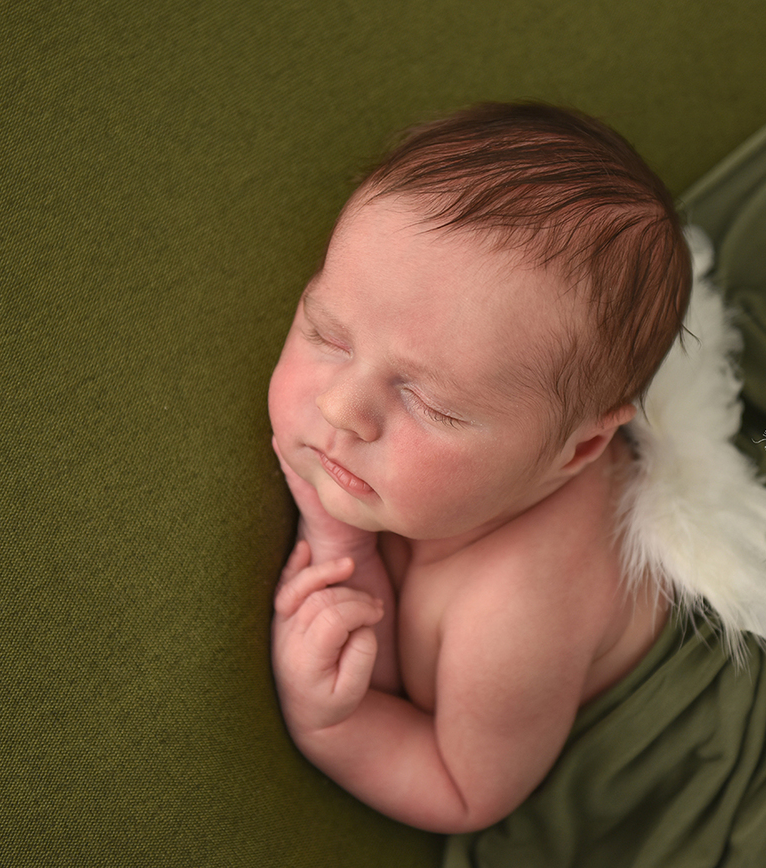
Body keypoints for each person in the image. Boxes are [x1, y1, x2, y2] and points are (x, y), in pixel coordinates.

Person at [267, 102, 696, 834]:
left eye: (432, 405)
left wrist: (334, 725)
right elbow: (410, 641)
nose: (341, 407)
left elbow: (464, 790)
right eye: (326, 333)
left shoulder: (515, 616)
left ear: (575, 452)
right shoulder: (453, 483)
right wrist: (347, 546)